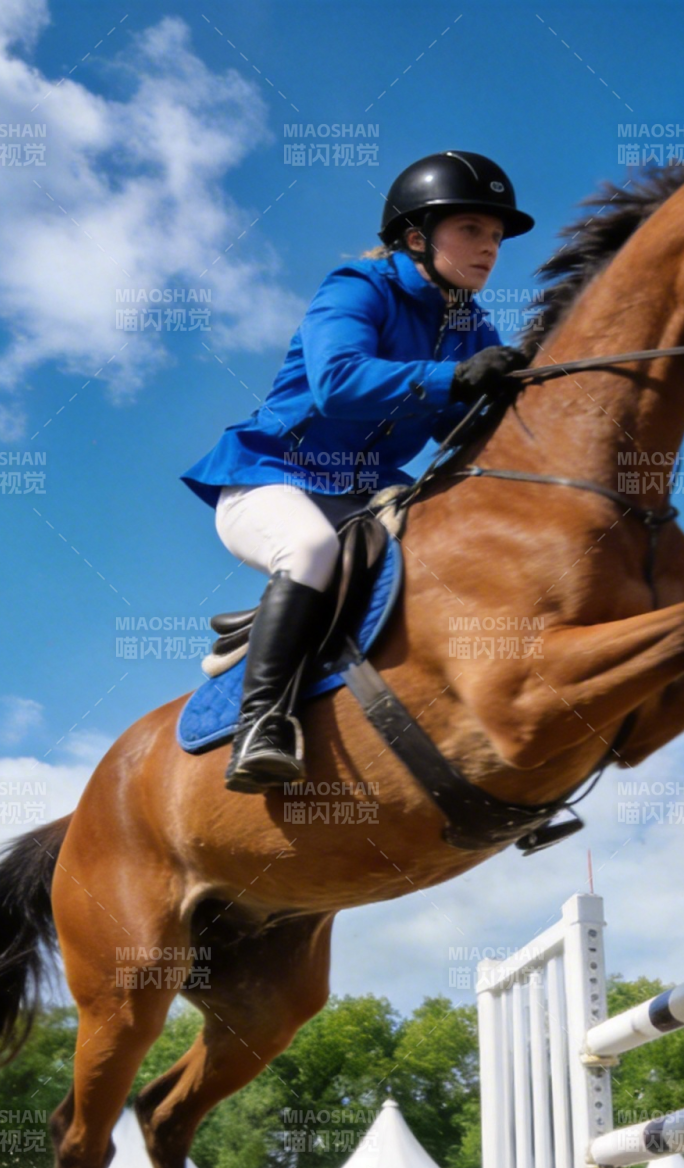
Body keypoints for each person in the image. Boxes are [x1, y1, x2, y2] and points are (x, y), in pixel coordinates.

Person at [182, 151, 535, 792]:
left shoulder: (468, 323)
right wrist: (456, 378)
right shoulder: (356, 287)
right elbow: (338, 383)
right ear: (416, 237)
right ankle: (263, 722)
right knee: (310, 546)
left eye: (496, 237)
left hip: (363, 493)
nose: (489, 249)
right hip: (270, 476)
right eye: (472, 230)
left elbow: (458, 431)